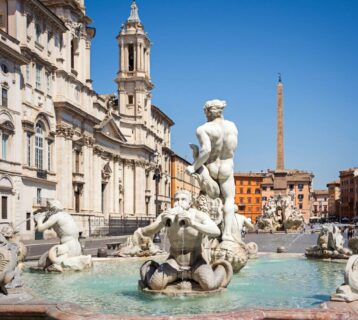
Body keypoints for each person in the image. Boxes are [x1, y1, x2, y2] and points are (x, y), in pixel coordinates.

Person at [137, 190, 232, 291]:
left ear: (190, 203)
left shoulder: (198, 215)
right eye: (176, 200)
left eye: (183, 199)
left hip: (196, 262)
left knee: (210, 285)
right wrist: (161, 223)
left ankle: (220, 268)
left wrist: (193, 223)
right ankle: (151, 267)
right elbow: (145, 232)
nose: (179, 202)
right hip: (174, 262)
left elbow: (216, 231)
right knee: (155, 285)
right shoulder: (167, 215)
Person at [186, 100, 238, 242]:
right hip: (227, 166)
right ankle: (227, 234)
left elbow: (207, 150)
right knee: (229, 199)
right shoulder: (232, 126)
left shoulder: (203, 128)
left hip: (211, 166)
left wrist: (194, 166)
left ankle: (207, 232)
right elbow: (232, 148)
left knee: (208, 196)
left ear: (208, 111)